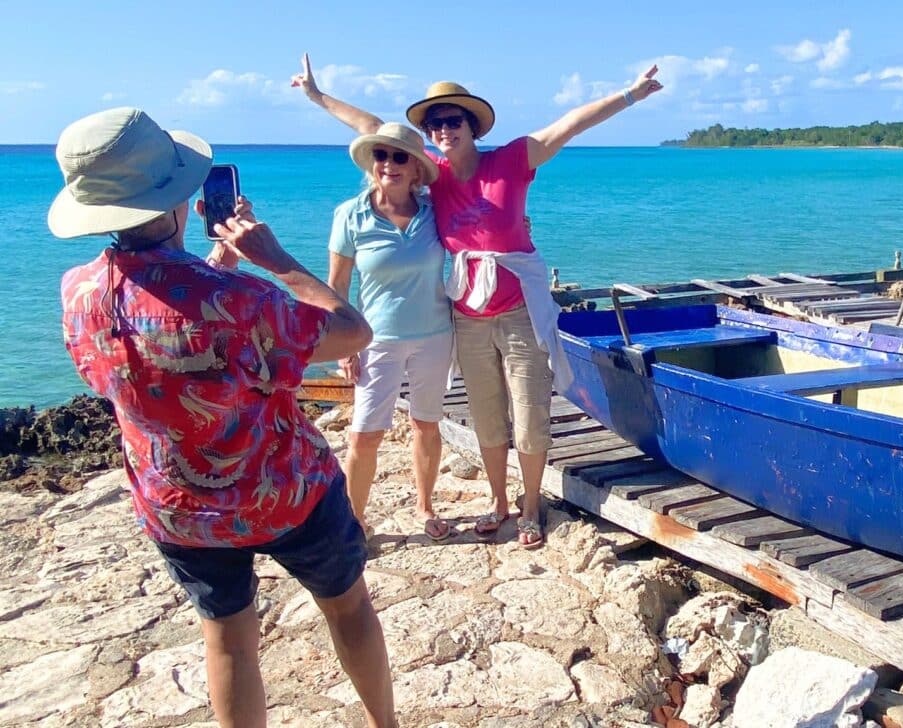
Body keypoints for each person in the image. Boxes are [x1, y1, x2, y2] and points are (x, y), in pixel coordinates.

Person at [52, 107, 397, 728]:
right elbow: (354, 332)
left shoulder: (77, 292)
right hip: (288, 491)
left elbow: (164, 320)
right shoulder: (244, 301)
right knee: (347, 609)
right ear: (180, 198)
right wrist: (277, 259)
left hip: (177, 505)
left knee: (229, 641)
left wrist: (215, 272)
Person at [294, 53, 663, 548]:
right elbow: (373, 131)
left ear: (472, 126)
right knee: (488, 416)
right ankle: (499, 503)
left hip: (518, 312)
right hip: (465, 314)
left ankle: (531, 508)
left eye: (453, 120)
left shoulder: (510, 160)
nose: (444, 129)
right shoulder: (434, 177)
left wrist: (631, 95)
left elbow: (569, 125)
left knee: (530, 413)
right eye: (435, 123)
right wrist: (318, 97)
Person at [329, 122, 454, 539]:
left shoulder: (435, 211)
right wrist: (344, 347)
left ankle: (424, 506)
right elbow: (338, 286)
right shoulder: (351, 214)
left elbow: (481, 228)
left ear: (417, 168)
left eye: (401, 157)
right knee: (365, 435)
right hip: (375, 340)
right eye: (382, 155)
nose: (390, 164)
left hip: (436, 336)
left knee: (427, 425)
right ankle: (353, 523)